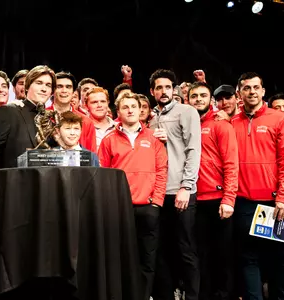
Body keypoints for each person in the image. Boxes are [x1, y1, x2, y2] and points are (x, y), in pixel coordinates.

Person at [98, 92, 168, 300]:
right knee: (120, 258)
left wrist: (156, 203)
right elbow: (102, 175)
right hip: (119, 209)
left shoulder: (153, 139)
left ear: (140, 111)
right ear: (118, 112)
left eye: (133, 107)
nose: (130, 110)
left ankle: (143, 296)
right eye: (125, 107)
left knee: (147, 259)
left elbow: (162, 171)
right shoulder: (109, 140)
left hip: (148, 208)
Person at [231, 72, 284, 300]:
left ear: (263, 91)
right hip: (245, 202)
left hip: (276, 200)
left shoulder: (280, 119)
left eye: (256, 87)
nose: (252, 92)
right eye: (247, 88)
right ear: (240, 93)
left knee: (283, 256)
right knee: (249, 257)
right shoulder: (230, 123)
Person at [149, 69, 202, 300]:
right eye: (159, 88)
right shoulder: (151, 120)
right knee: (163, 250)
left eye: (168, 87)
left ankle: (191, 297)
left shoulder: (187, 112)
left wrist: (186, 187)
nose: (163, 91)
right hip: (160, 194)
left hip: (181, 192)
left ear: (175, 89)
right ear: (152, 92)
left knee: (186, 250)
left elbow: (193, 150)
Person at [188, 81, 239, 300]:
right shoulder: (186, 123)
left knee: (223, 255)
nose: (198, 99)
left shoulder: (221, 124)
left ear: (210, 100)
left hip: (218, 199)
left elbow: (231, 163)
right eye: (194, 96)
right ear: (187, 100)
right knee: (201, 254)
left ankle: (224, 296)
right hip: (194, 199)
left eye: (203, 95)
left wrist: (228, 199)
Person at [0, 65, 56, 170]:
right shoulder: (9, 111)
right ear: (28, 86)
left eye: (48, 85)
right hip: (13, 182)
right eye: (39, 83)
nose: (44, 89)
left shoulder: (51, 121)